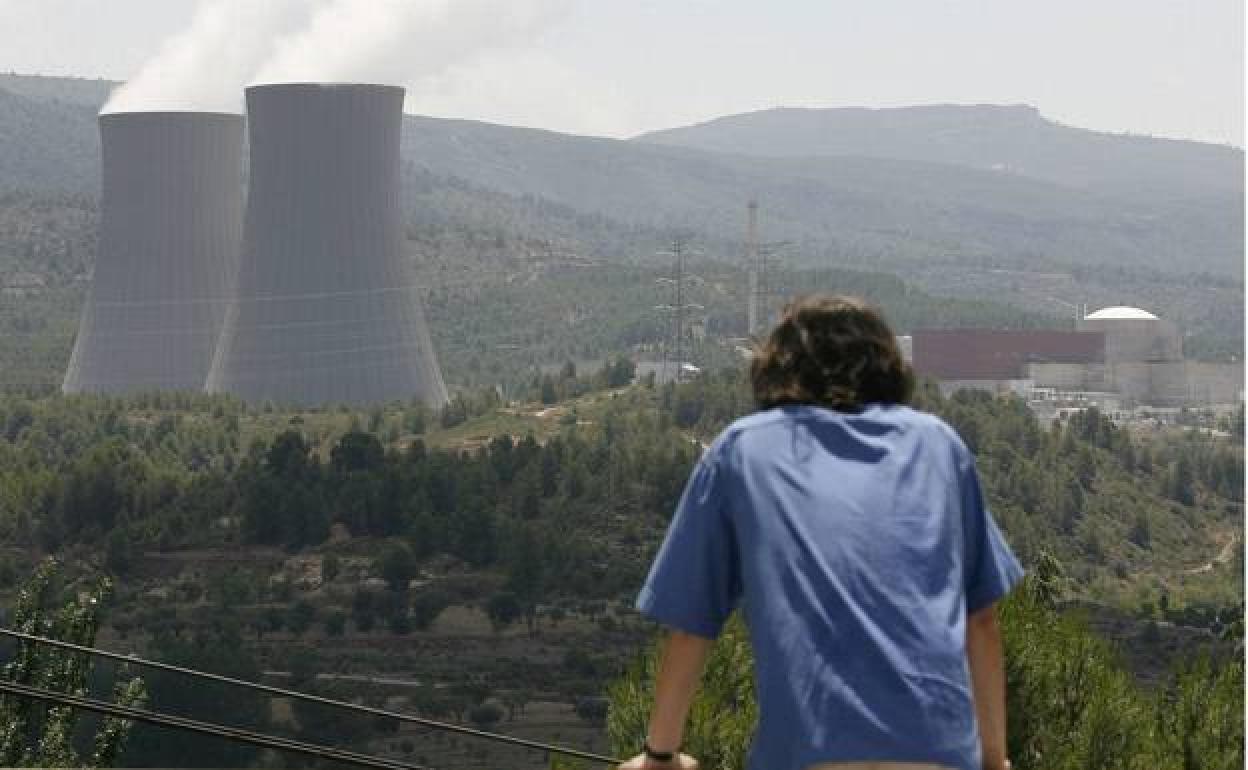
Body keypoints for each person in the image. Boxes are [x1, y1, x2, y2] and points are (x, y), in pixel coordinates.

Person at [619, 295, 1023, 770]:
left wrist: (661, 755)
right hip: (939, 754)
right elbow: (981, 620)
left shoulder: (742, 449)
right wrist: (994, 758)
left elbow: (691, 628)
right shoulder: (938, 444)